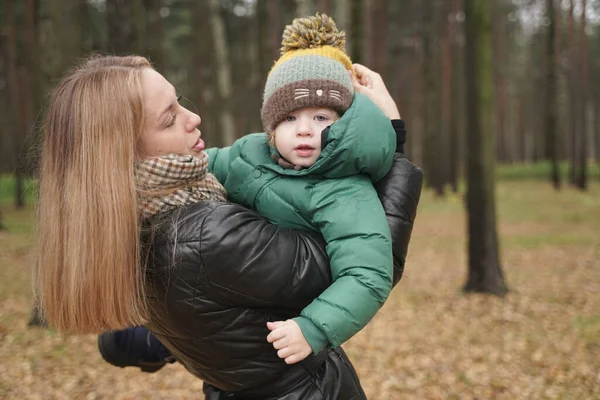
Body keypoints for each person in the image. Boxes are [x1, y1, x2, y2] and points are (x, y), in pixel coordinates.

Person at [34, 51, 422, 399]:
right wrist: (391, 135)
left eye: (180, 102)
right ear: (121, 151)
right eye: (170, 118)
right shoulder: (206, 236)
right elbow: (372, 264)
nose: (193, 118)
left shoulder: (126, 226)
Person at [205, 13, 401, 364]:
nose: (305, 130)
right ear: (271, 127)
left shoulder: (345, 190)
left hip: (284, 323)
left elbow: (367, 274)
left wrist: (313, 328)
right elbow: (202, 163)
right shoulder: (249, 152)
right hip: (221, 309)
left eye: (322, 118)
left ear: (344, 124)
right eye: (290, 118)